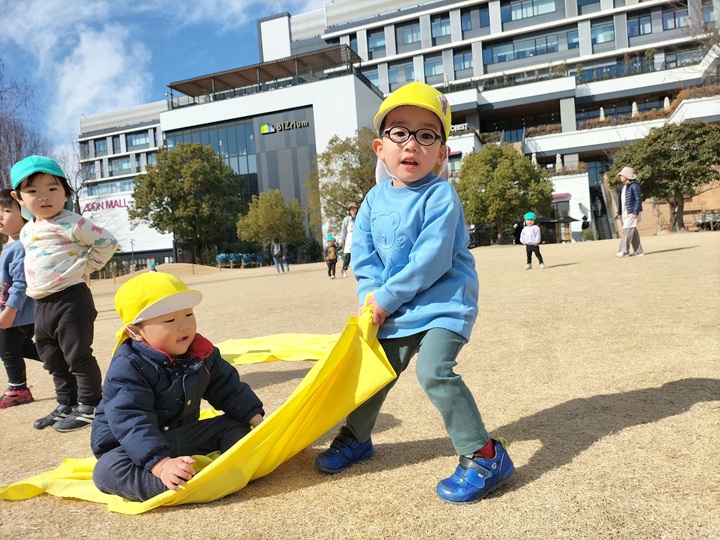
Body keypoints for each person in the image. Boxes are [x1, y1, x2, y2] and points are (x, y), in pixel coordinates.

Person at [315, 81, 514, 504]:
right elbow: (365, 258)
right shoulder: (372, 201)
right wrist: (371, 297)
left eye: (426, 135)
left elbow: (432, 259)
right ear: (380, 148)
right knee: (375, 372)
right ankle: (357, 437)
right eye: (399, 133)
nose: (411, 144)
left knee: (434, 371)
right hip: (397, 307)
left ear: (441, 153)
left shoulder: (441, 194)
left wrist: (387, 298)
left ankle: (484, 456)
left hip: (445, 303)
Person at [91, 272, 264, 502]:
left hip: (180, 434)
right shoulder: (128, 366)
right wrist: (161, 465)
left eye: (188, 314)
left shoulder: (201, 351)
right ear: (135, 332)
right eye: (170, 320)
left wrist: (259, 422)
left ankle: (236, 465)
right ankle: (175, 485)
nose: (184, 326)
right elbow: (131, 420)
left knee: (234, 426)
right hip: (128, 447)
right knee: (106, 471)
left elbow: (227, 387)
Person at [10, 155, 118, 432]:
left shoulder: (73, 223)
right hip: (41, 303)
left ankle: (90, 404)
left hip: (71, 299)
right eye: (32, 191)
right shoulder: (27, 230)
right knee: (51, 357)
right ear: (18, 198)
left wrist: (87, 267)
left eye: (52, 188)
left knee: (77, 354)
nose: (44, 196)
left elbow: (107, 242)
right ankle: (66, 403)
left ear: (66, 192)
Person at [0, 189, 42, 408]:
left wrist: (10, 311)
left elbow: (20, 283)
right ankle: (60, 361)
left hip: (18, 314)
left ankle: (18, 389)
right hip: (16, 314)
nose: (0, 216)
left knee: (7, 350)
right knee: (21, 347)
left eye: (6, 211)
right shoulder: (10, 245)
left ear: (25, 213)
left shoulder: (21, 246)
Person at [615, 166, 645, 257]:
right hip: (625, 212)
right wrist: (619, 211)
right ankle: (639, 251)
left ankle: (624, 251)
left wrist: (635, 212)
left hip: (632, 212)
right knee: (633, 231)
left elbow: (638, 199)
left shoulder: (634, 185)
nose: (620, 177)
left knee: (626, 230)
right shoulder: (622, 187)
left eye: (622, 175)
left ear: (627, 176)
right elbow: (621, 201)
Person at [338, 202, 358, 278]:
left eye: (354, 209)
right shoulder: (346, 219)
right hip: (349, 237)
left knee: (358, 254)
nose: (353, 210)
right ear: (349, 210)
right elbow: (343, 231)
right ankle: (344, 269)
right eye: (351, 209)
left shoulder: (359, 218)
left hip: (358, 237)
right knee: (348, 255)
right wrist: (341, 240)